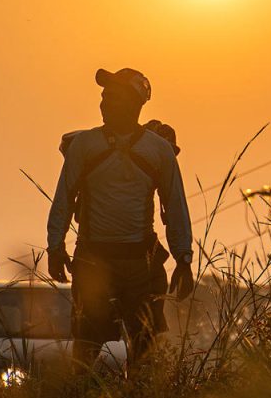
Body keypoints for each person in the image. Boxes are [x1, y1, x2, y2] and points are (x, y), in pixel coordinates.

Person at [46, 68, 194, 367]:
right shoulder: (85, 145)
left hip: (141, 262)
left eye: (111, 96)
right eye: (103, 96)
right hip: (93, 260)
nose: (103, 103)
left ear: (135, 102)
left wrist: (184, 259)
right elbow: (64, 197)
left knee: (145, 349)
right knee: (86, 348)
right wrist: (55, 247)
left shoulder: (159, 151)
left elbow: (176, 207)